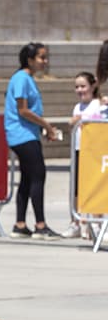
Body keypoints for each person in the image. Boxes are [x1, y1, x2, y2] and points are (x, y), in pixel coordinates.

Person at [5, 42, 60, 240]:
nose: (45, 62)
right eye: (41, 57)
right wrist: (46, 125)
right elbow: (23, 110)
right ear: (30, 60)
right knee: (38, 174)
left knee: (28, 178)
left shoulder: (27, 79)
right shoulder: (21, 78)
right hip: (22, 134)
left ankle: (20, 224)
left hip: (27, 133)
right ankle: (40, 224)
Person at [65, 71, 104, 238]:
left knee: (94, 187)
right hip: (78, 150)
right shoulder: (77, 107)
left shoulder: (99, 105)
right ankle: (76, 223)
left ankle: (96, 223)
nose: (80, 90)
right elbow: (72, 124)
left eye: (83, 86)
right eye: (77, 87)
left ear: (93, 86)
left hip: (94, 153)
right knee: (76, 189)